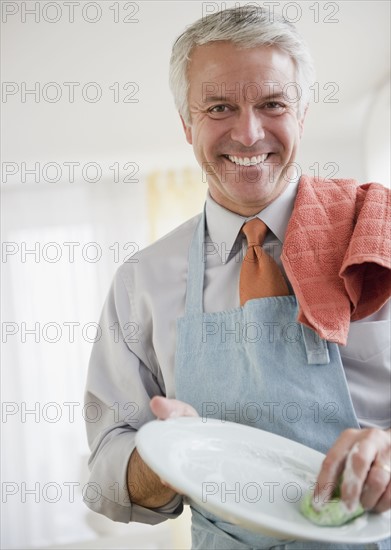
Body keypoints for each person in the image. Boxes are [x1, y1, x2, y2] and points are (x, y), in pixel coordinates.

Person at [84, 6, 391, 549]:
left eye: (272, 104)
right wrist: (163, 460)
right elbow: (109, 461)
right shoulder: (141, 282)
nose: (249, 135)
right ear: (187, 123)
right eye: (220, 106)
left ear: (303, 113)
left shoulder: (378, 237)